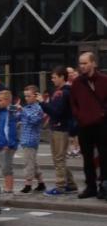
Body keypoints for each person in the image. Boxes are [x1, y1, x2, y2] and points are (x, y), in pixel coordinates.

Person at [70, 52, 107, 200]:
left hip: (102, 124)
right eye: (80, 63)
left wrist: (102, 114)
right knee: (87, 158)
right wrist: (79, 116)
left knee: (104, 157)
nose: (82, 66)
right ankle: (90, 186)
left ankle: (103, 186)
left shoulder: (104, 80)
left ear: (93, 63)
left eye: (85, 63)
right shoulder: (77, 82)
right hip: (84, 125)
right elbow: (73, 103)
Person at [37, 66, 78, 195]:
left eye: (54, 77)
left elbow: (56, 112)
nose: (52, 80)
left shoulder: (63, 92)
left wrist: (42, 103)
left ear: (61, 77)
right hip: (59, 127)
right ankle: (70, 184)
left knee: (59, 159)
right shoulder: (61, 91)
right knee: (59, 158)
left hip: (60, 128)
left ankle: (60, 186)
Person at [17, 85, 46, 194]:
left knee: (28, 163)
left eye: (29, 96)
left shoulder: (38, 108)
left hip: (31, 140)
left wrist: (23, 111)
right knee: (33, 162)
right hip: (24, 139)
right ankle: (41, 183)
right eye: (25, 96)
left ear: (36, 96)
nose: (26, 98)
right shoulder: (27, 108)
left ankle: (28, 184)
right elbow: (21, 118)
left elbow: (34, 120)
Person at [0, 90, 19, 193]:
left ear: (7, 100)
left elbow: (11, 130)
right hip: (1, 144)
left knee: (7, 167)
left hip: (8, 145)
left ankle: (9, 188)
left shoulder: (10, 112)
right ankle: (7, 187)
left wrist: (9, 144)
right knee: (4, 167)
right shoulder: (2, 112)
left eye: (0, 100)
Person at [66, 66, 80, 158]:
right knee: (69, 132)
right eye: (69, 73)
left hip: (77, 111)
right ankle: (69, 150)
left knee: (76, 132)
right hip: (68, 111)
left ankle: (76, 149)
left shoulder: (78, 83)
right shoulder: (65, 85)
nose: (70, 74)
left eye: (72, 72)